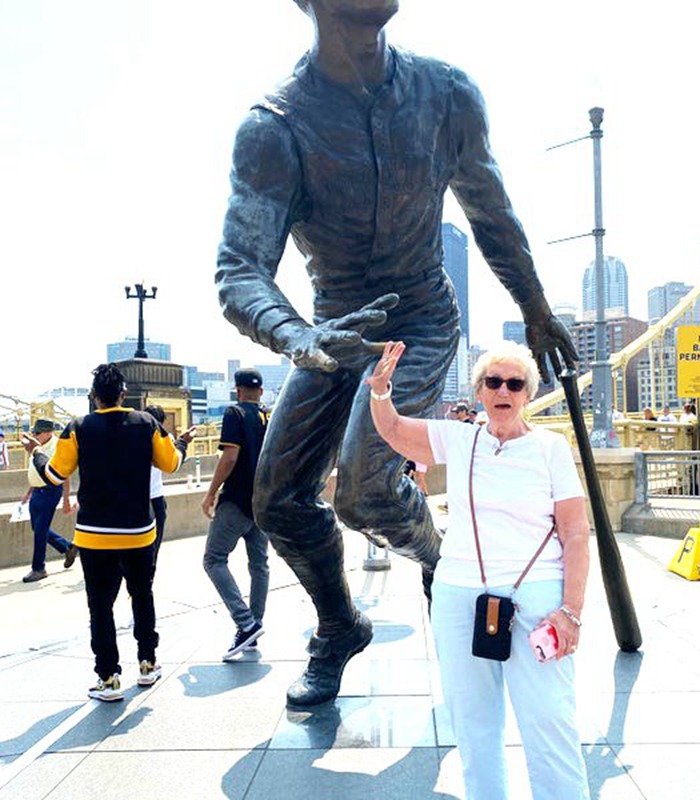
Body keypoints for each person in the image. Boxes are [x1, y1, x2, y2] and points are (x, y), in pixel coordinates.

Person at [216, 0, 577, 707]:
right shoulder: (275, 128)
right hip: (332, 331)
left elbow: (491, 213)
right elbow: (239, 268)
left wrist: (535, 306)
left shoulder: (446, 96)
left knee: (363, 487)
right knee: (276, 500)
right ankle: (341, 626)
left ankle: (441, 563)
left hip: (419, 316)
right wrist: (299, 338)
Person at [367, 340, 590, 800]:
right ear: (480, 390)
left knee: (549, 717)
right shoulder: (459, 437)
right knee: (472, 722)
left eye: (514, 383)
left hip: (538, 597)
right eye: (493, 381)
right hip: (459, 592)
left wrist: (571, 610)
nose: (503, 390)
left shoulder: (551, 448)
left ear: (528, 393)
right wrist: (381, 390)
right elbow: (392, 431)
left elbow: (575, 533)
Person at [22, 364, 196, 701]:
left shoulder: (78, 428)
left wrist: (37, 453)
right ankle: (147, 663)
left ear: (94, 397)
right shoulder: (146, 424)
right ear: (122, 393)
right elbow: (172, 463)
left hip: (94, 534)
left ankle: (108, 678)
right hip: (138, 531)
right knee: (141, 595)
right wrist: (184, 445)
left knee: (100, 606)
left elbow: (55, 476)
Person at [202, 369, 270, 661]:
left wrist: (211, 492)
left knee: (214, 559)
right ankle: (253, 628)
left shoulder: (235, 413)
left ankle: (246, 623)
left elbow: (229, 457)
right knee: (259, 565)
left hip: (237, 502)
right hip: (263, 502)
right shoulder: (268, 416)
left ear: (237, 390)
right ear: (261, 392)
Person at [20, 418, 77, 583]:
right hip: (37, 490)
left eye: (37, 433)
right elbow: (36, 470)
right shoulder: (36, 446)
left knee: (40, 530)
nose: (34, 436)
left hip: (50, 491)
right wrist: (29, 491)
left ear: (47, 432)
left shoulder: (58, 446)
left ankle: (38, 568)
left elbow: (63, 474)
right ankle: (67, 547)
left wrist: (66, 499)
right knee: (36, 527)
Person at [145, 405, 169, 572]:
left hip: (152, 495)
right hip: (152, 497)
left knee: (152, 537)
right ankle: (150, 565)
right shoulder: (164, 439)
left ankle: (149, 565)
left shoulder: (136, 438)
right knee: (153, 537)